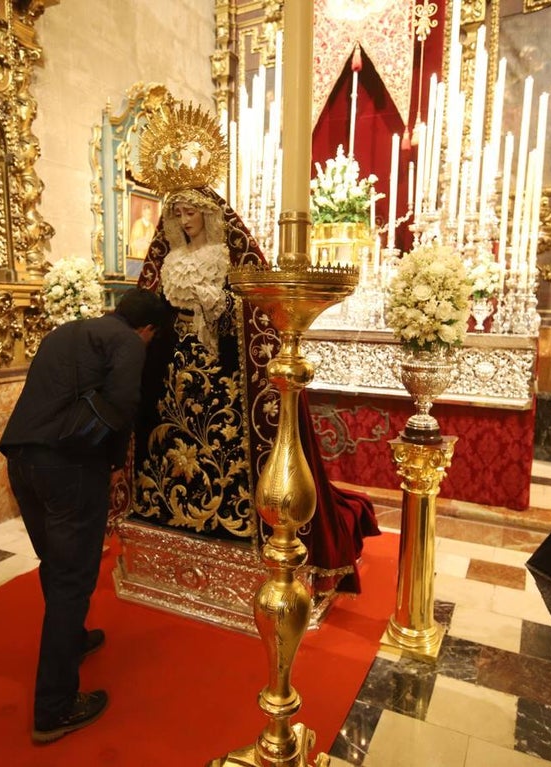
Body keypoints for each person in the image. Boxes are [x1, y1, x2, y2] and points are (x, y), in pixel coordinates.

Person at [125, 102, 379, 597]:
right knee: (167, 436)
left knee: (224, 441)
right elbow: (151, 300)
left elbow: (255, 307)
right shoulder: (170, 255)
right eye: (177, 211)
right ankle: (170, 513)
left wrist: (216, 306)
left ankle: (234, 520)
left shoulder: (226, 253)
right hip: (173, 361)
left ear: (209, 213)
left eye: (191, 210)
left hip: (220, 365)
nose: (184, 218)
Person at [0, 287, 168, 745]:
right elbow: (121, 409)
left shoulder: (67, 330)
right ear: (148, 329)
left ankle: (70, 639)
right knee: (74, 578)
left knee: (55, 565)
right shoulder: (129, 342)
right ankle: (54, 708)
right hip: (69, 467)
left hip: (21, 461)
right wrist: (115, 464)